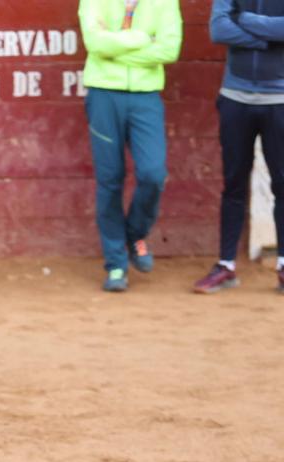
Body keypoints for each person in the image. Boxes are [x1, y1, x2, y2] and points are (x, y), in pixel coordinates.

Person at [79, 0, 182, 293]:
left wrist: (115, 52)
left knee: (152, 173)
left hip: (145, 97)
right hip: (103, 95)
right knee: (110, 179)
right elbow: (95, 44)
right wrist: (141, 39)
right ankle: (115, 264)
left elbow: (169, 50)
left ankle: (135, 234)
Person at [195, 0, 284, 294]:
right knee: (233, 185)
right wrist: (266, 38)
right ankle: (226, 265)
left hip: (279, 100)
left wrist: (244, 19)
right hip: (235, 98)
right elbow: (219, 30)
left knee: (282, 186)